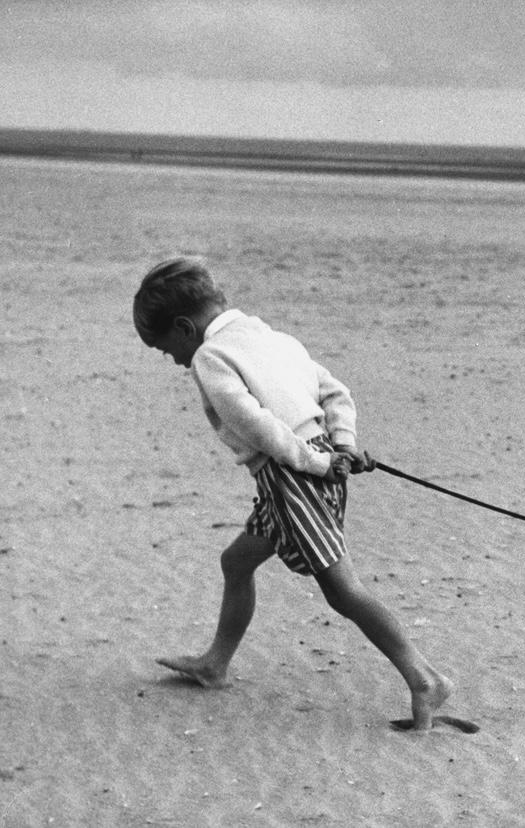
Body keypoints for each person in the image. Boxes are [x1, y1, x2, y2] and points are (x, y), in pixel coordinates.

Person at [133, 256, 453, 731]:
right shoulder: (273, 338)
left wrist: (319, 462)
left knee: (343, 591)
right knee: (236, 563)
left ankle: (425, 677)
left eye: (166, 349)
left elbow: (255, 425)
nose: (175, 361)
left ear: (184, 328)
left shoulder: (210, 356)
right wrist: (342, 444)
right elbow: (335, 393)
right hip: (310, 464)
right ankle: (215, 663)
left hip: (293, 475)